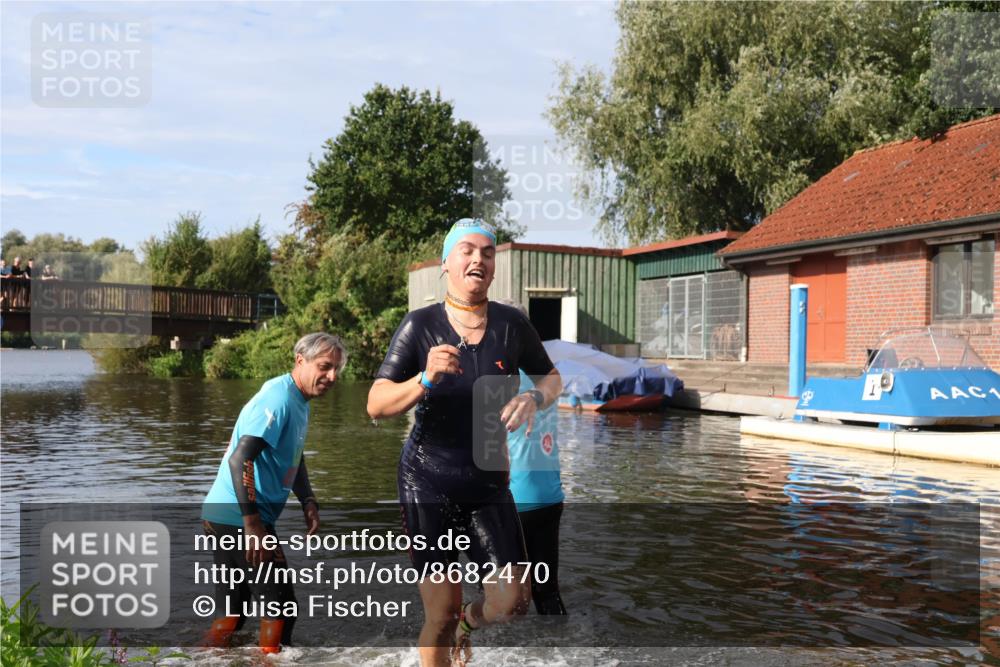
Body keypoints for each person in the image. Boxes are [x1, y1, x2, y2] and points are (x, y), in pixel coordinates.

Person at [367, 218, 562, 667]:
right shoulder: (420, 325)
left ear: (494, 266)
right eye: (468, 251)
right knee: (440, 612)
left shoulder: (512, 325)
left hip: (488, 478)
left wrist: (533, 397)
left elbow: (551, 377)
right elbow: (376, 404)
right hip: (427, 479)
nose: (479, 259)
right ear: (446, 262)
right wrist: (424, 378)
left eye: (487, 253)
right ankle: (448, 631)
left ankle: (466, 627)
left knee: (513, 601)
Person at [200, 332, 347, 654]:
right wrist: (253, 527)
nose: (332, 376)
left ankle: (203, 659)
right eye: (325, 366)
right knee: (281, 609)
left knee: (233, 611)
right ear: (300, 361)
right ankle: (267, 661)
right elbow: (241, 459)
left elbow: (293, 454)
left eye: (337, 369)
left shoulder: (298, 399)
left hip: (223, 514)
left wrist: (307, 499)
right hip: (240, 518)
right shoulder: (278, 399)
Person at [496, 299, 567, 616]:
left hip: (513, 500)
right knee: (547, 594)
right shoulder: (547, 377)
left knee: (503, 597)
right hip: (549, 498)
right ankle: (561, 641)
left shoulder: (499, 376)